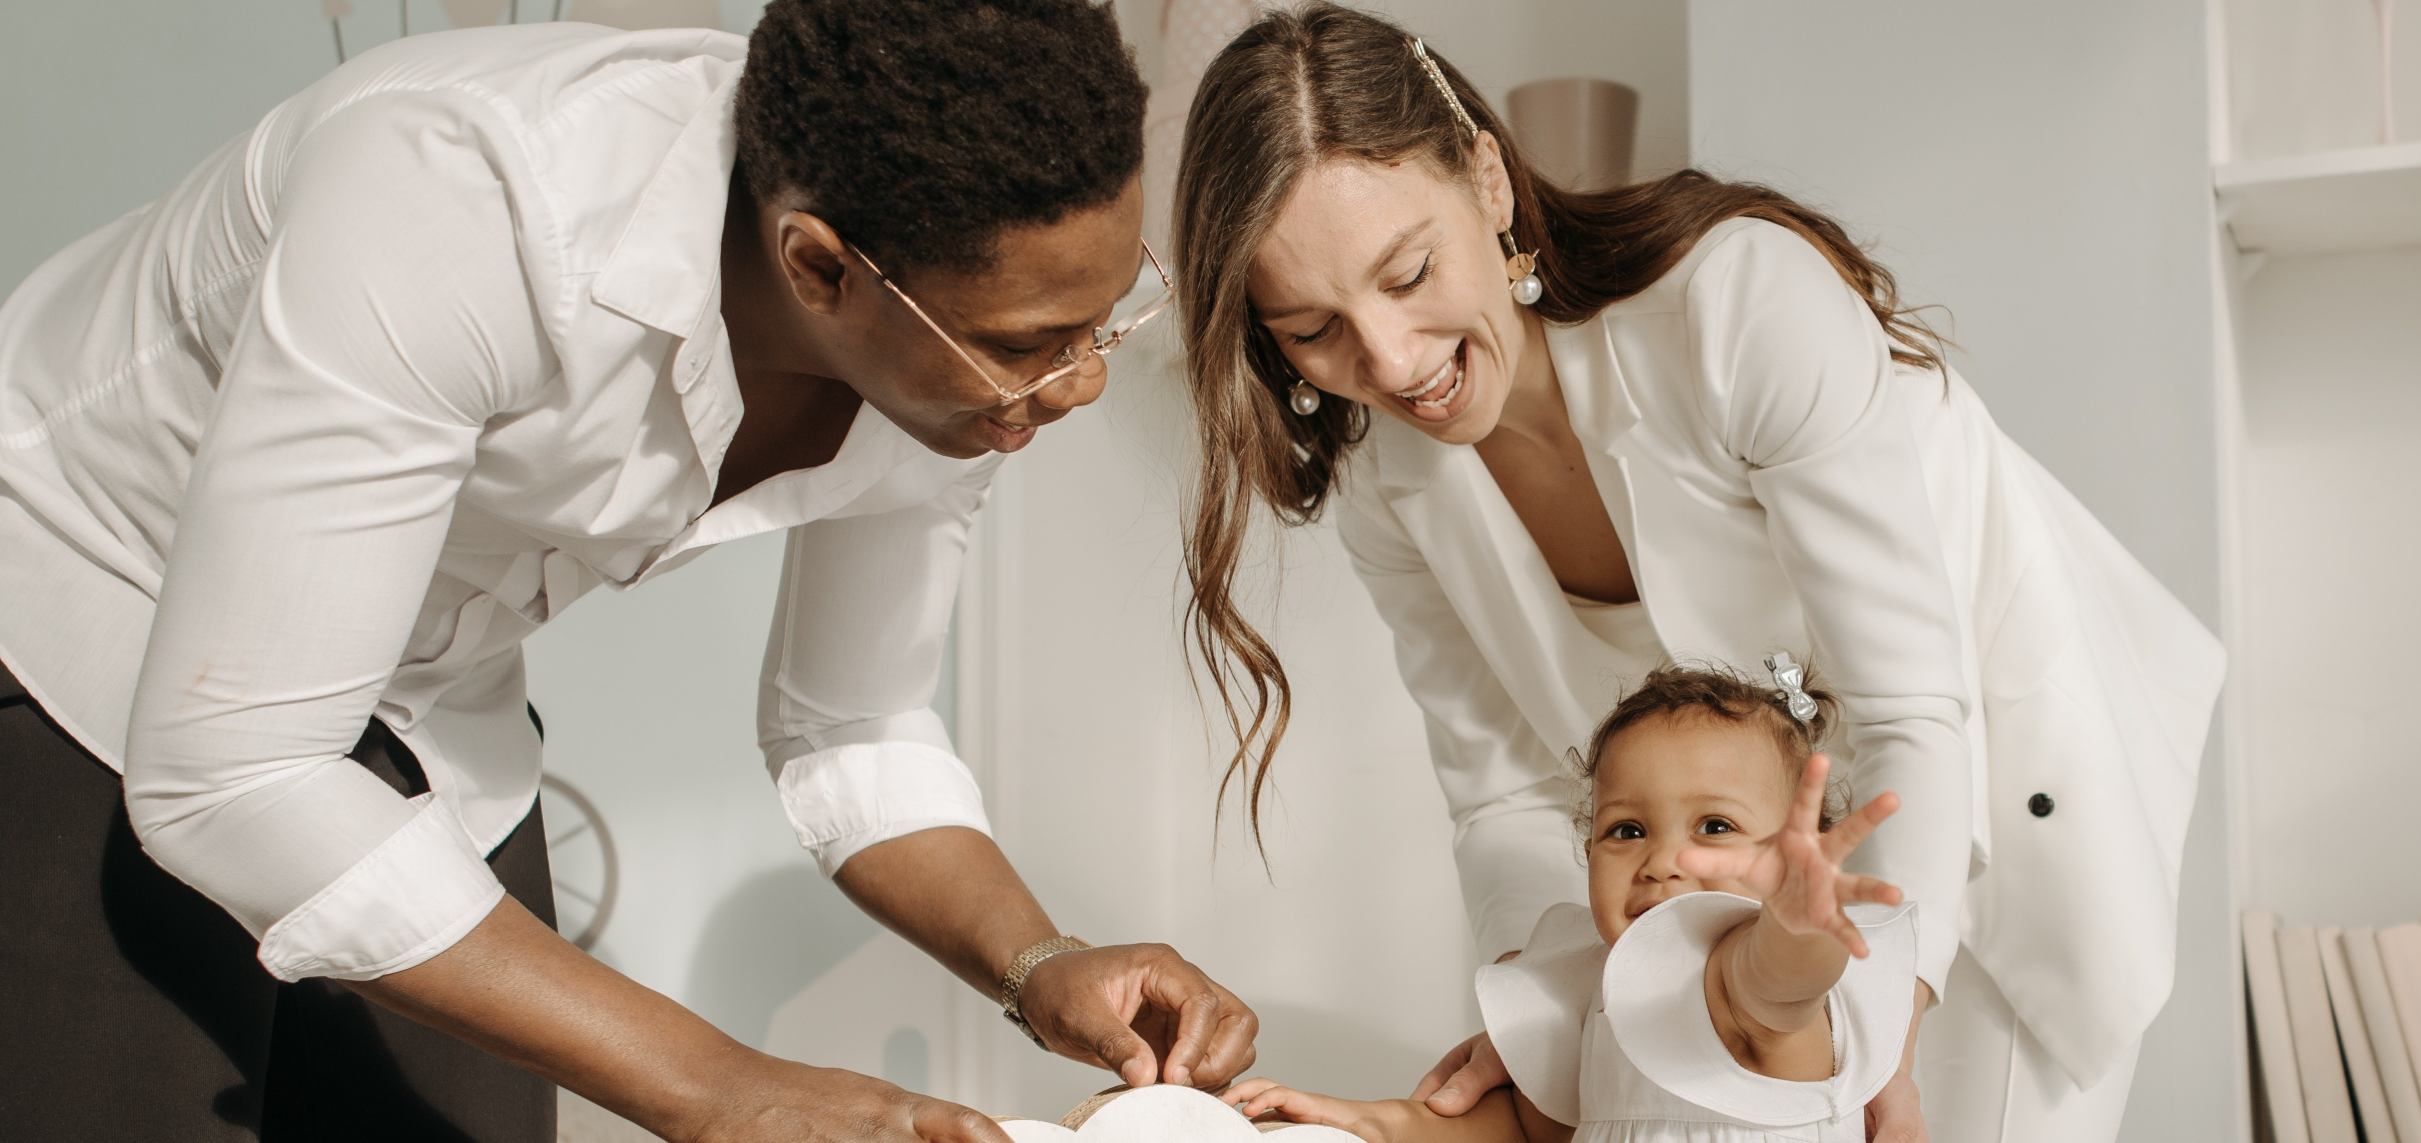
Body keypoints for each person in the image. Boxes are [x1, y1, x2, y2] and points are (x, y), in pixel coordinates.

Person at [0, 3, 1255, 1141]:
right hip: (87, 634)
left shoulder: (950, 369)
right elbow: (236, 774)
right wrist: (719, 1085)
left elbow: (850, 721)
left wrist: (1037, 963)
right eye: (1032, 343)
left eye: (1101, 319)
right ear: (818, 266)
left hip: (431, 707)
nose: (1081, 381)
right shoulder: (464, 200)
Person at [1168, 5, 2224, 1140]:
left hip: (1991, 787)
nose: (1387, 359)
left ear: (1484, 177)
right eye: (1313, 329)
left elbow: (1913, 714)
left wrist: (1872, 1042)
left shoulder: (1738, 307)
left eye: (1410, 272)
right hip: (1738, 895)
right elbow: (1507, 798)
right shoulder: (1388, 487)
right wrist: (1555, 1020)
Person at [1226, 661, 1918, 1143]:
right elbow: (1524, 1129)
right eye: (1626, 829)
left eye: (1715, 827)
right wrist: (1360, 1120)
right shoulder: (1590, 988)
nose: (1662, 861)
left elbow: (1786, 978)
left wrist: (1802, 917)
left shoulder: (1748, 985)